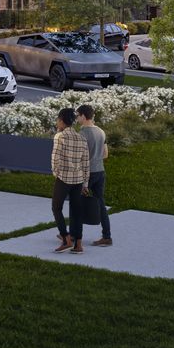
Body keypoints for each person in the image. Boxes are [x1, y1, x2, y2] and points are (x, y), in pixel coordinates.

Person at [49, 108, 89, 254]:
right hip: (78, 180)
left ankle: (66, 238)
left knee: (56, 207)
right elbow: (86, 163)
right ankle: (78, 245)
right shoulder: (81, 138)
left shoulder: (60, 136)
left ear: (61, 120)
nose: (56, 123)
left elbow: (55, 158)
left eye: (57, 120)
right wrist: (85, 183)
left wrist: (56, 174)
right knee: (77, 211)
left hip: (64, 178)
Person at [76, 103, 112, 248]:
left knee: (76, 204)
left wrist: (83, 182)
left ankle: (73, 236)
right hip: (100, 172)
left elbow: (79, 157)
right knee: (101, 204)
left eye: (78, 116)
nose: (77, 119)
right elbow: (105, 154)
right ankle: (107, 236)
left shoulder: (82, 134)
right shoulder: (101, 132)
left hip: (87, 173)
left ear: (84, 116)